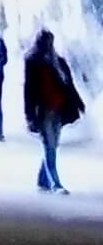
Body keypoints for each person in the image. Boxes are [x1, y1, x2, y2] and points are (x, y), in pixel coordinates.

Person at [23, 28, 85, 194]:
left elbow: (69, 85)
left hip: (58, 110)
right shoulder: (33, 62)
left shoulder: (59, 62)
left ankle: (42, 180)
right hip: (43, 111)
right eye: (47, 42)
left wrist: (79, 103)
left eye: (51, 41)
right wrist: (29, 116)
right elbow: (28, 90)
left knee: (53, 146)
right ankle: (55, 184)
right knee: (49, 146)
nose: (50, 45)